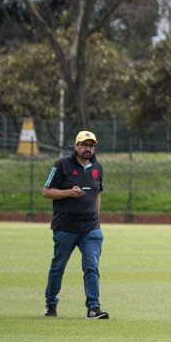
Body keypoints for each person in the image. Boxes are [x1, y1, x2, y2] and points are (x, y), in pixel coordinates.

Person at [42, 130, 109, 319]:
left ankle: (93, 308)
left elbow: (97, 195)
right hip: (65, 227)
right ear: (76, 146)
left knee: (91, 267)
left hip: (91, 229)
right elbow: (46, 192)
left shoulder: (97, 168)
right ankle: (50, 303)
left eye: (92, 145)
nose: (88, 149)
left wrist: (97, 219)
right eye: (85, 145)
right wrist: (69, 193)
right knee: (58, 267)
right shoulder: (61, 165)